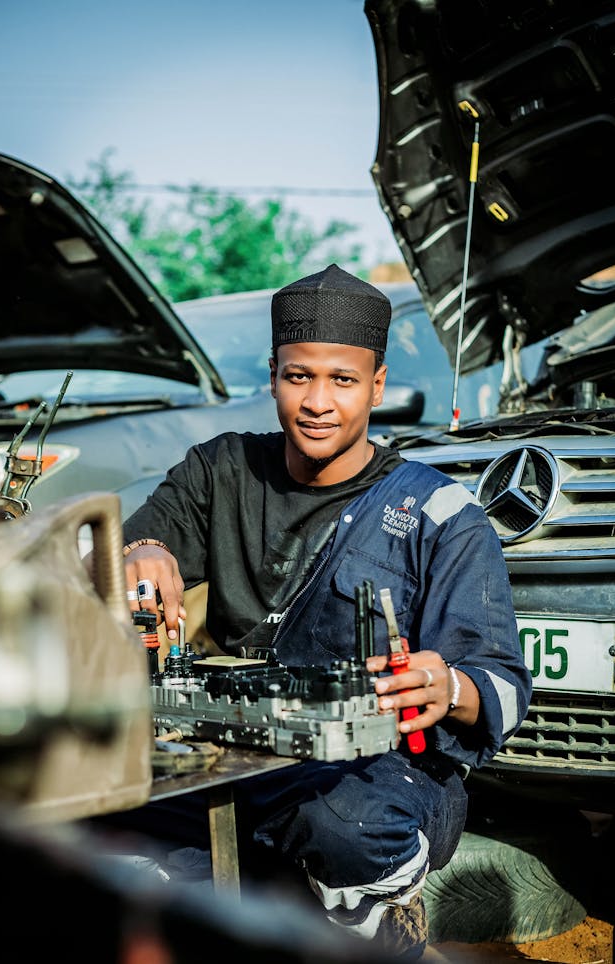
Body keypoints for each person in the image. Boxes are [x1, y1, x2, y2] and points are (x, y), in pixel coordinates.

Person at [109, 263, 532, 961]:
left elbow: (507, 688)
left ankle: (385, 922)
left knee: (342, 824)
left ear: (378, 385)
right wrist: (143, 549)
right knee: (95, 797)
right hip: (238, 757)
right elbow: (137, 540)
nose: (317, 401)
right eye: (298, 376)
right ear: (274, 375)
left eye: (342, 379)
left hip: (386, 776)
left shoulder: (440, 514)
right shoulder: (220, 471)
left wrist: (448, 686)